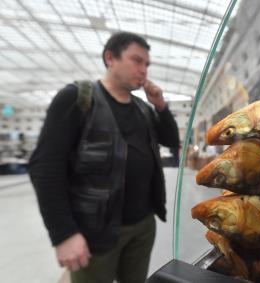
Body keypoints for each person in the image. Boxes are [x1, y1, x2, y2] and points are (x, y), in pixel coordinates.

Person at [29, 31, 180, 283]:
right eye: (136, 60)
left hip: (143, 226)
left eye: (147, 64)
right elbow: (45, 167)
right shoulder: (77, 99)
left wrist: (161, 106)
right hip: (96, 232)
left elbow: (172, 141)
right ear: (110, 58)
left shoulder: (142, 109)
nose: (144, 70)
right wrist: (64, 233)